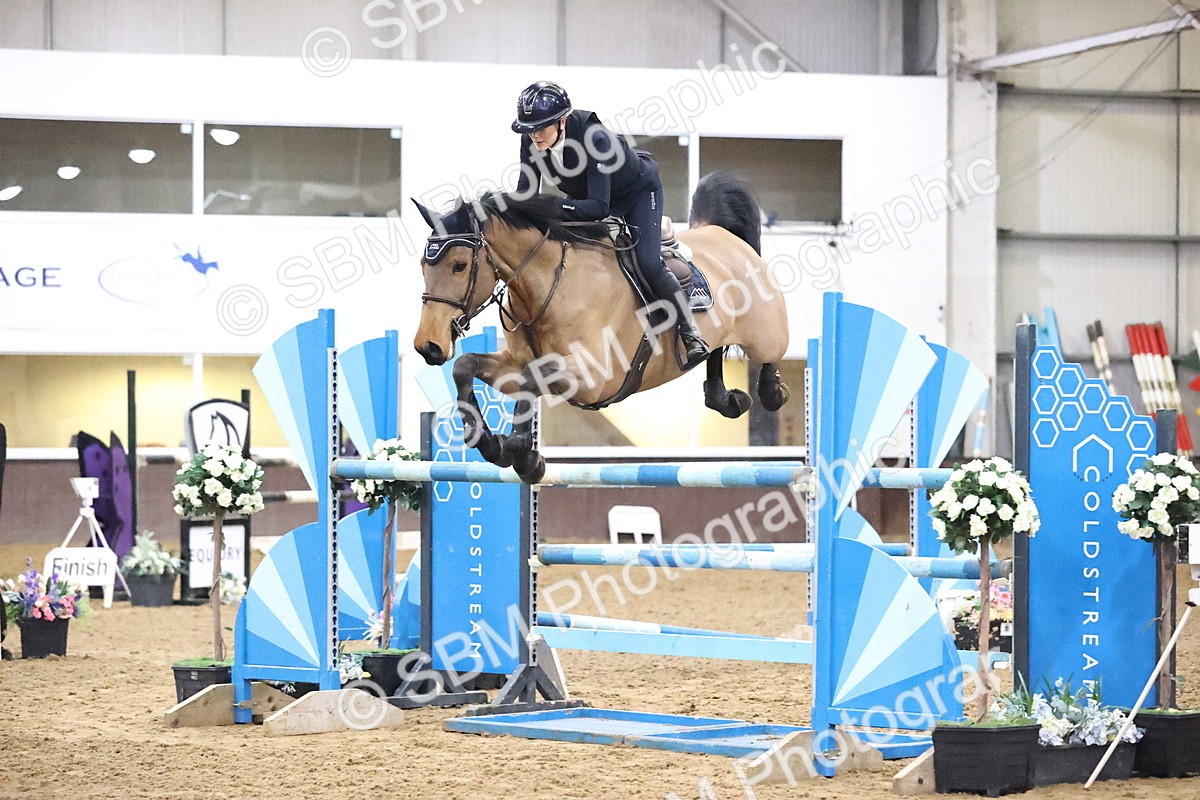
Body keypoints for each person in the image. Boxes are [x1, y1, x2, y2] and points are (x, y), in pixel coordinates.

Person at [511, 81, 708, 367]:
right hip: (587, 196)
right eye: (529, 130)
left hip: (636, 193)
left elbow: (599, 208)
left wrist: (552, 205)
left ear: (563, 120)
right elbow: (526, 194)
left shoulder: (596, 139)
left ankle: (690, 331)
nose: (534, 136)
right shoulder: (532, 139)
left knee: (648, 263)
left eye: (541, 128)